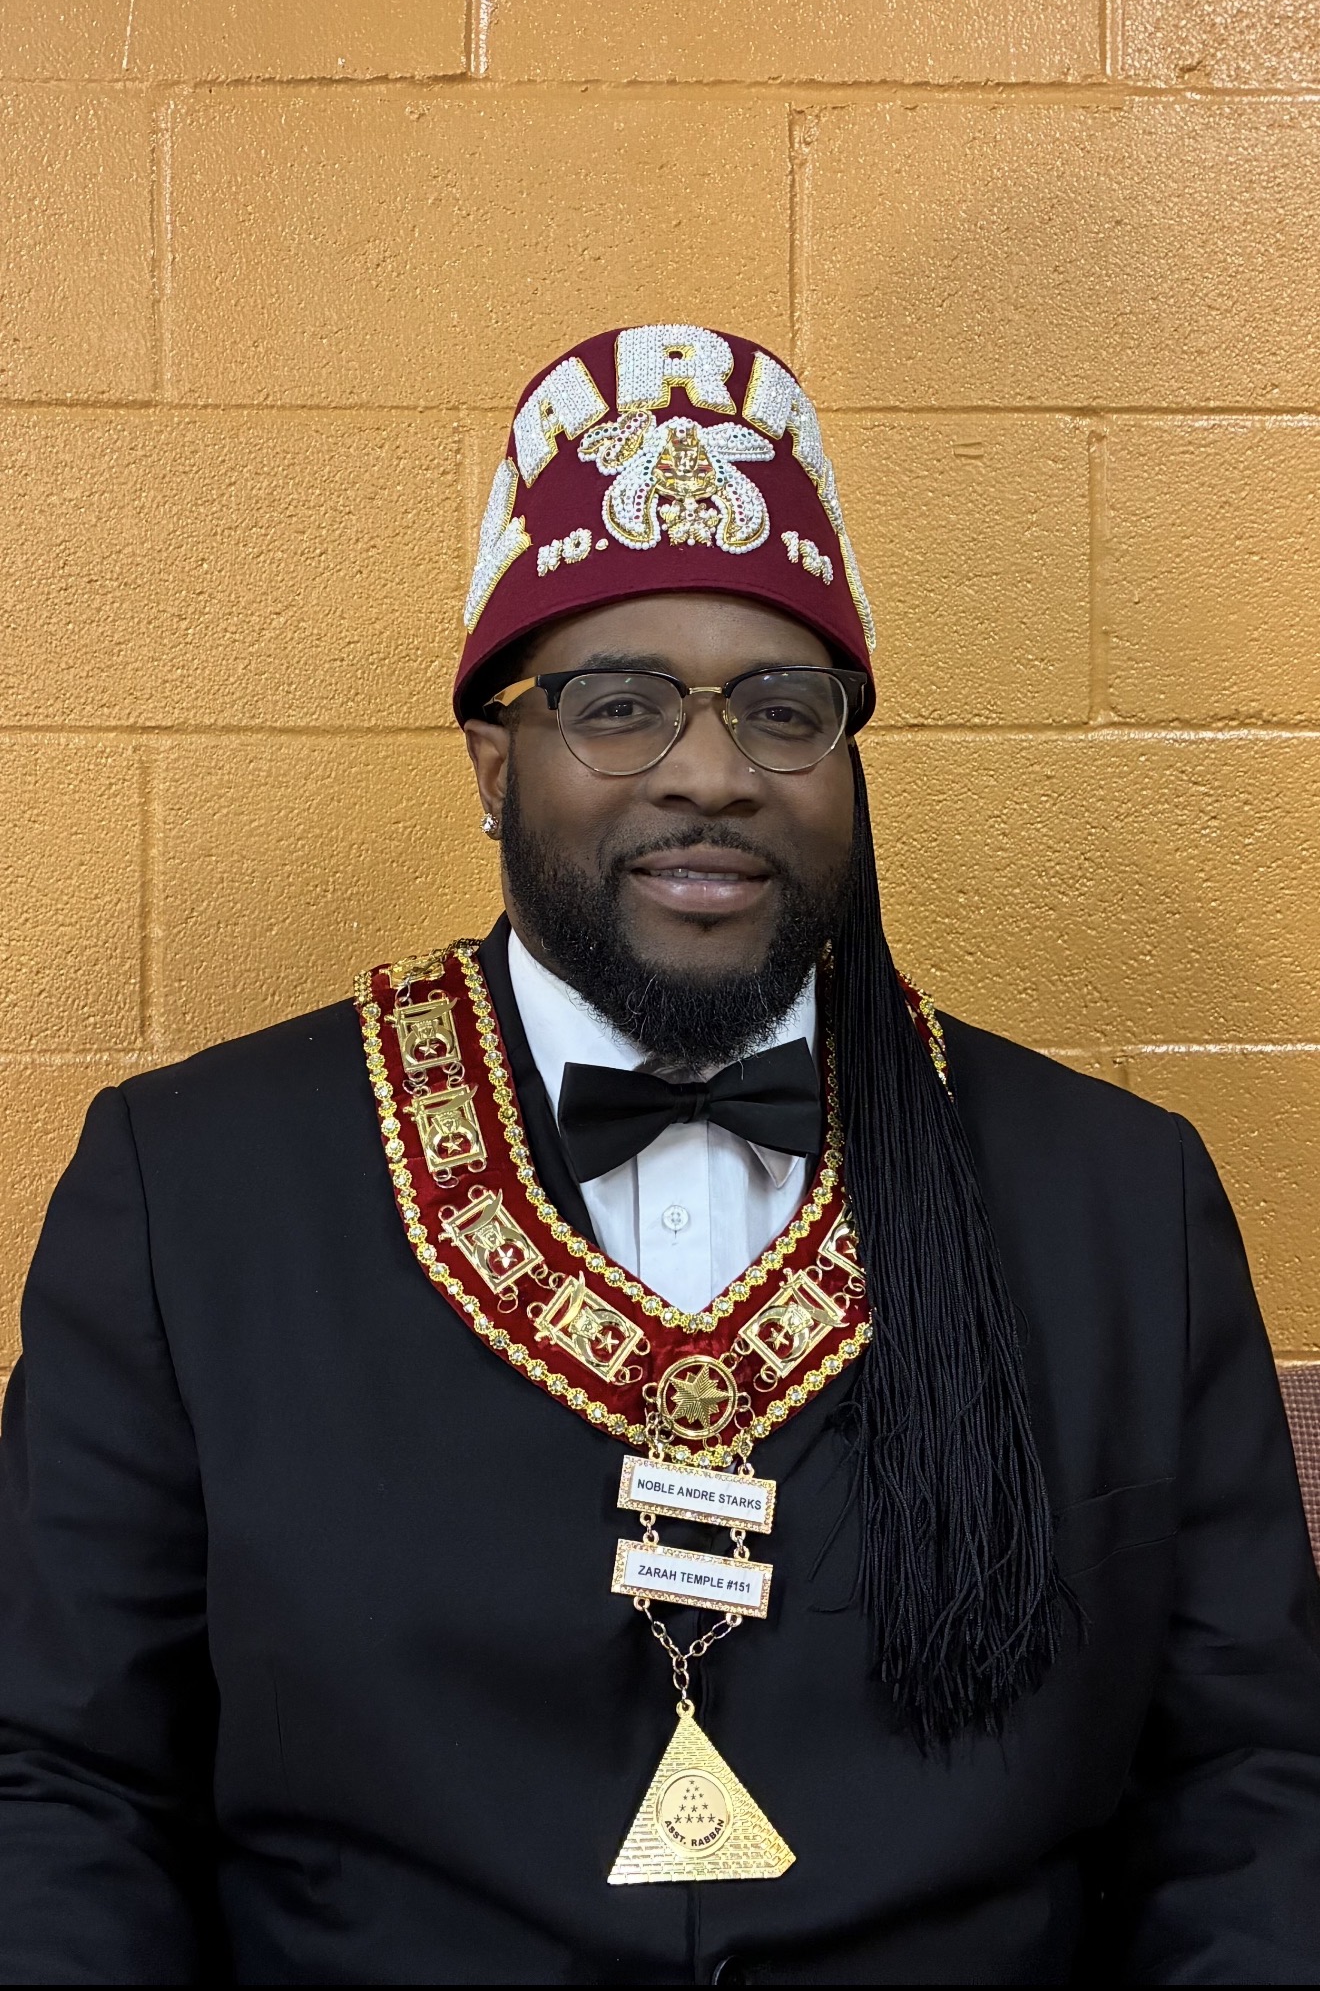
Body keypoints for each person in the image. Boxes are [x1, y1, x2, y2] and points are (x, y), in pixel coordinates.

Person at [0, 323, 1317, 1987]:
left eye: (784, 708)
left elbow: (1248, 1791)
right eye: (617, 706)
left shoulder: (1120, 1206)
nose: (712, 772)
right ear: (494, 764)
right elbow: (63, 1788)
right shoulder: (193, 1196)